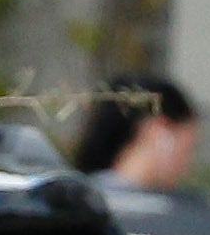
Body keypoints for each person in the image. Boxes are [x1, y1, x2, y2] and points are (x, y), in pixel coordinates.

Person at [70, 74, 202, 189]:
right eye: (187, 150)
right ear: (160, 128)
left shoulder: (79, 199)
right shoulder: (169, 210)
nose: (186, 169)